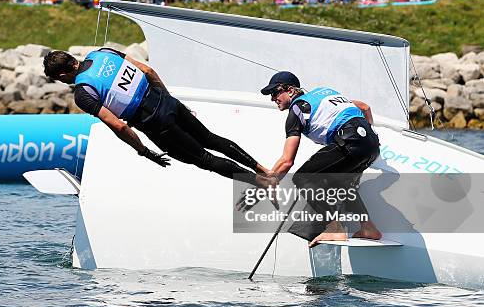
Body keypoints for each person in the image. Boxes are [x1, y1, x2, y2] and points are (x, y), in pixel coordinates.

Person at [43, 48, 271, 185]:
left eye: (61, 79)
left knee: (204, 159)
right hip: (167, 101)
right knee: (211, 139)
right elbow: (148, 71)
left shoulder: (83, 93)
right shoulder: (103, 53)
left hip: (155, 124)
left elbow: (119, 126)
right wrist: (171, 100)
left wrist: (144, 152)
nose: (64, 82)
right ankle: (263, 169)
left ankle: (261, 182)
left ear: (63, 74)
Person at [261, 71, 382, 247]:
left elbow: (287, 161)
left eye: (275, 93)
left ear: (290, 90)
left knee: (303, 177)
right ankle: (369, 228)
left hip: (350, 142)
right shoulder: (325, 92)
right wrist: (368, 133)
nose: (273, 98)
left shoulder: (297, 110)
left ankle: (335, 229)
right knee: (342, 183)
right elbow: (364, 107)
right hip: (372, 145)